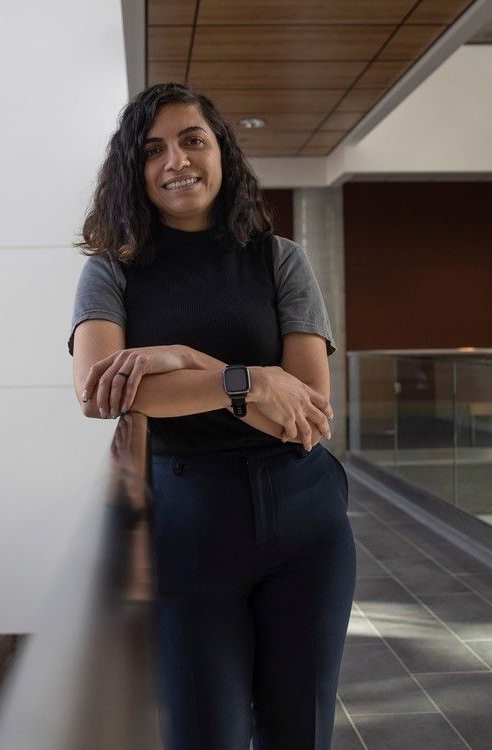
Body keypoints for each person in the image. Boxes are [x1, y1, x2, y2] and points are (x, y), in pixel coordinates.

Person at [67, 83, 355, 750]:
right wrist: (249, 380)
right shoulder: (112, 272)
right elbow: (98, 393)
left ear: (221, 152)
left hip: (304, 514)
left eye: (193, 140)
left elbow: (308, 414)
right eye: (154, 149)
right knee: (206, 735)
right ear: (133, 170)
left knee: (299, 735)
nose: (177, 161)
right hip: (187, 520)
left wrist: (173, 366)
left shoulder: (279, 260)